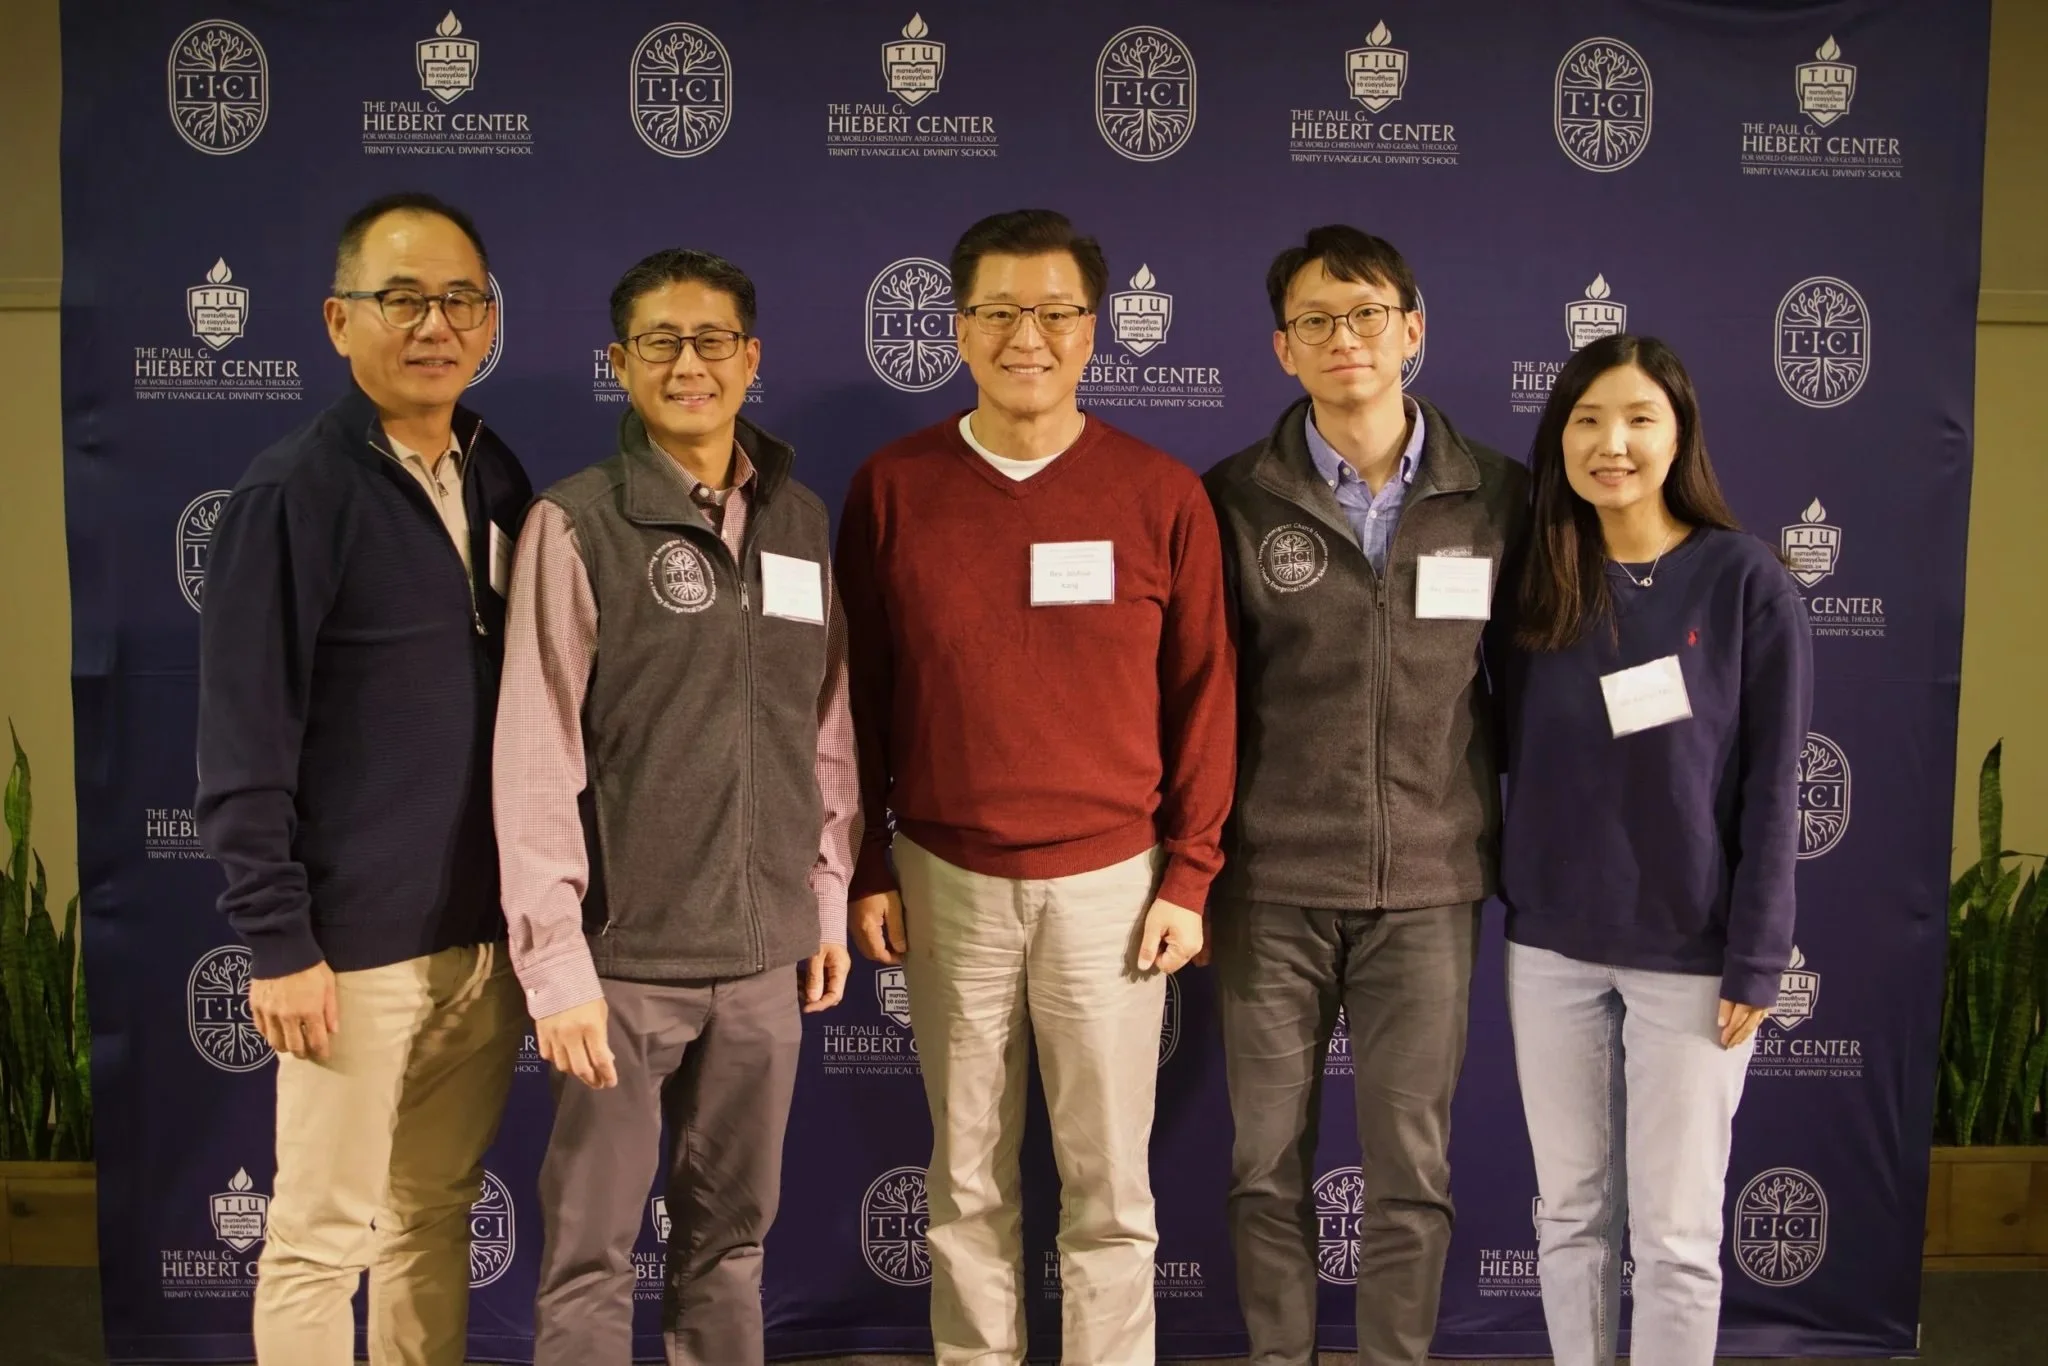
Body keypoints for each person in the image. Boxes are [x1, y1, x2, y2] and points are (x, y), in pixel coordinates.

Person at [835, 208, 1236, 1366]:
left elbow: (1207, 695)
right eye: (1000, 311)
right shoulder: (892, 488)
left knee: (1109, 1188)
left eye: (1055, 312)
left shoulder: (1159, 493)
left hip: (1116, 884)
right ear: (956, 328)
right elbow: (854, 699)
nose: (1028, 336)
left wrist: (1191, 872)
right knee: (964, 1181)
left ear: (1091, 330)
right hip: (944, 875)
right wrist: (868, 859)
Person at [494, 248, 856, 1366]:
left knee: (730, 1245)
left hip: (763, 960)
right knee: (593, 1253)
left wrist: (827, 897)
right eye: (658, 342)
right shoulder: (578, 522)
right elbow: (533, 751)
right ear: (619, 363)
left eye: (710, 341)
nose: (686, 363)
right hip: (623, 967)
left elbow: (825, 729)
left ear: (750, 359)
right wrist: (554, 962)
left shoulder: (798, 520)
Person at [195, 191, 531, 1366]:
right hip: (347, 954)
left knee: (430, 1215)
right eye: (401, 299)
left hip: (480, 944)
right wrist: (279, 941)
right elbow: (243, 741)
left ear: (489, 321)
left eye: (458, 299)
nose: (432, 323)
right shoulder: (295, 491)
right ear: (340, 321)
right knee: (319, 1232)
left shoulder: (497, 475)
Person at [1203, 225, 1530, 1366]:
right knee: (1262, 1169)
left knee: (1409, 1176)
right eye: (1315, 322)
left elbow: (1537, 690)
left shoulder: (1496, 494)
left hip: (1430, 887)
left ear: (1413, 330)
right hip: (1270, 888)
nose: (1344, 339)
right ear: (1281, 349)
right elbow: (1201, 705)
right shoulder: (1231, 497)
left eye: (1366, 314)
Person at [1501, 333, 1812, 1366]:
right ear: (1558, 441)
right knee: (1567, 1214)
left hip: (1692, 955)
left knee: (1675, 1234)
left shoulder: (1741, 580)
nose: (1610, 443)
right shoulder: (1534, 575)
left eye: (1637, 418)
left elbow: (1775, 783)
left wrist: (1756, 955)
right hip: (1549, 948)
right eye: (1585, 420)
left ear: (1677, 435)